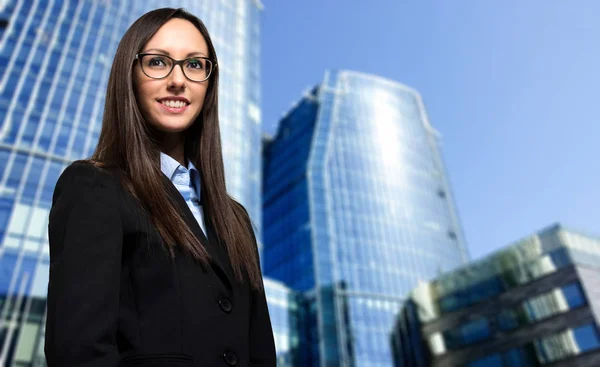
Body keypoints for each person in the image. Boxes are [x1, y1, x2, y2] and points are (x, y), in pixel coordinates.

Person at [44, 8, 276, 367]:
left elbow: (260, 352)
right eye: (157, 62)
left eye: (195, 65)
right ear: (130, 76)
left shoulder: (236, 219)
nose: (178, 80)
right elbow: (79, 352)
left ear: (209, 84)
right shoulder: (94, 186)